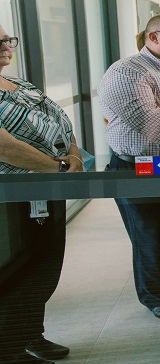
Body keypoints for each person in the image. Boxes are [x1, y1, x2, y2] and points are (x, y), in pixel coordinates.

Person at [99, 13, 160, 322]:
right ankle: (158, 297)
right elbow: (153, 125)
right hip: (139, 168)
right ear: (153, 38)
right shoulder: (126, 71)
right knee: (151, 235)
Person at [0, 26, 79, 363]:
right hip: (11, 195)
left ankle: (31, 333)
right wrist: (55, 166)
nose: (6, 46)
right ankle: (9, 347)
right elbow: (3, 146)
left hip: (46, 188)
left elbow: (60, 120)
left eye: (7, 40)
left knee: (45, 266)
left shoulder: (19, 83)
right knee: (16, 269)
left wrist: (72, 156)